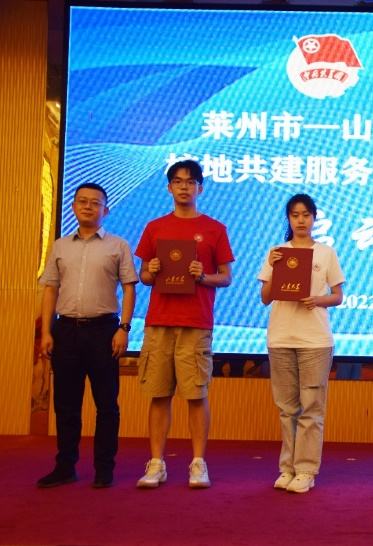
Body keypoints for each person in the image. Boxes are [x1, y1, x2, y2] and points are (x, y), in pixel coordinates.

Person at [134, 160, 234, 489]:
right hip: (159, 321)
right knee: (158, 394)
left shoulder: (215, 229)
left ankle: (198, 463)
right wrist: (152, 270)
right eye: (177, 181)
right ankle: (156, 463)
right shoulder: (155, 227)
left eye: (190, 182)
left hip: (195, 322)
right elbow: (144, 275)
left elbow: (226, 277)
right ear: (169, 187)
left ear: (200, 188)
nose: (184, 187)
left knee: (195, 395)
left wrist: (202, 276)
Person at [37, 183, 138, 488]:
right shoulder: (60, 246)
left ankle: (104, 469)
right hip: (66, 330)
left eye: (95, 203)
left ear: (106, 210)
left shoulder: (118, 245)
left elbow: (129, 288)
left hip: (104, 331)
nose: (88, 206)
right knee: (66, 404)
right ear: (73, 207)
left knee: (107, 405)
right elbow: (50, 289)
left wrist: (123, 328)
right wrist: (46, 331)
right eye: (82, 201)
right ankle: (65, 467)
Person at [258, 194, 345, 493]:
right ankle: (287, 468)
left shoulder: (326, 253)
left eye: (306, 214)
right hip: (281, 337)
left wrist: (317, 300)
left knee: (311, 408)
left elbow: (338, 295)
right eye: (295, 215)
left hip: (315, 340)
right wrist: (273, 268)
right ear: (288, 218)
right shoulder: (277, 252)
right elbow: (265, 297)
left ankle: (306, 470)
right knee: (287, 408)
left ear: (314, 217)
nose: (301, 220)